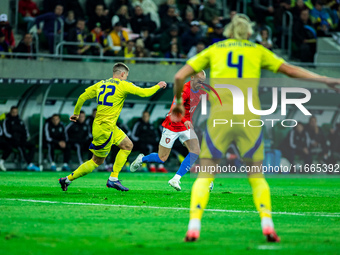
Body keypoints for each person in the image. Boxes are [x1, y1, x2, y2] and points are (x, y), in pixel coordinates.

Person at [170, 14, 340, 243]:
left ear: (229, 33)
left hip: (220, 117)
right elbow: (290, 70)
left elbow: (180, 75)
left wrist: (180, 104)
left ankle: (193, 226)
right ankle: (267, 224)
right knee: (257, 176)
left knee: (205, 173)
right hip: (248, 118)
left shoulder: (215, 49)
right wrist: (325, 80)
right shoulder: (257, 50)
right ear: (249, 33)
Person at [58, 63, 167, 192]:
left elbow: (82, 97)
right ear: (122, 74)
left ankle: (113, 178)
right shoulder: (123, 85)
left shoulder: (100, 84)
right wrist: (158, 86)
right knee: (96, 161)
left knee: (128, 145)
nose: (126, 77)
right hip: (104, 128)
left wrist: (76, 113)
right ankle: (67, 179)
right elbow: (144, 93)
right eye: (126, 75)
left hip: (107, 126)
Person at [131, 71, 209, 190]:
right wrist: (185, 120)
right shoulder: (184, 90)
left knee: (195, 150)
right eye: (199, 81)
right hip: (172, 126)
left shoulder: (201, 90)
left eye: (202, 81)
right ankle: (141, 159)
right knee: (162, 158)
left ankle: (176, 179)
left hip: (186, 127)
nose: (200, 84)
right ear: (192, 77)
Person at [2, 106, 40, 171]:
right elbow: (6, 133)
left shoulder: (20, 121)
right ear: (10, 112)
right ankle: (29, 164)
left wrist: (24, 138)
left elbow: (26, 131)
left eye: (16, 112)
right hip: (12, 141)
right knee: (21, 147)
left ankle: (28, 163)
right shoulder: (6, 121)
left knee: (32, 146)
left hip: (22, 140)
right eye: (13, 112)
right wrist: (13, 138)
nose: (14, 113)